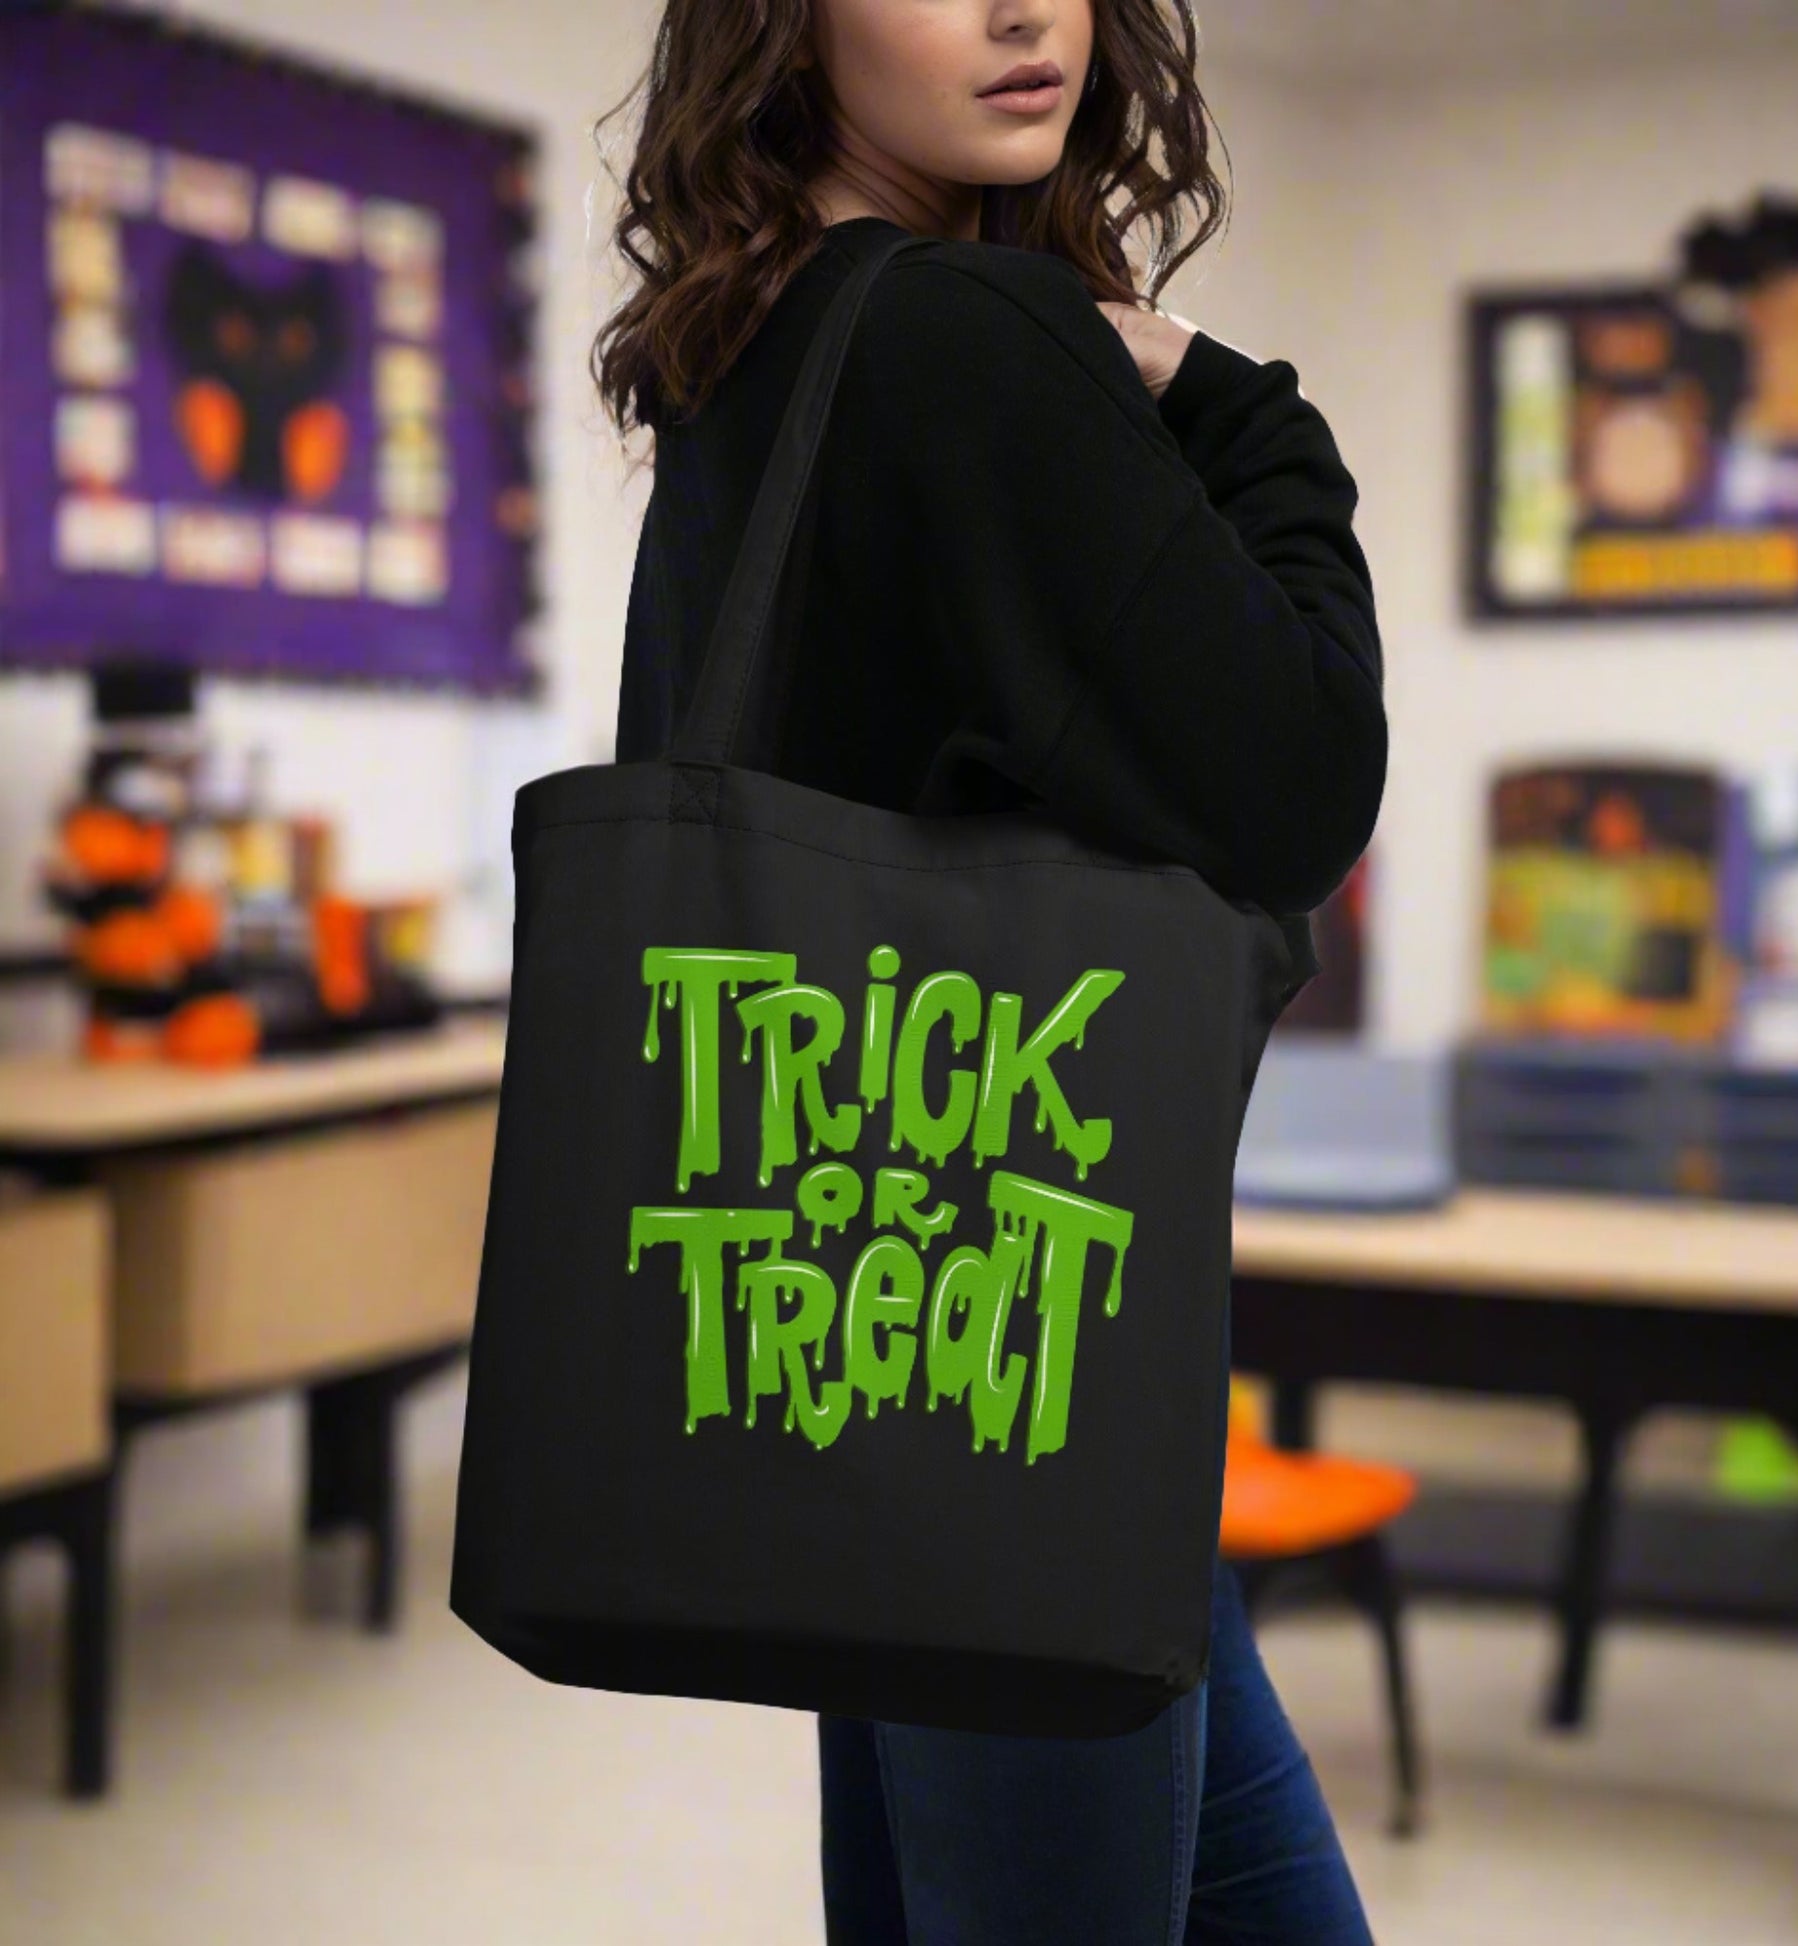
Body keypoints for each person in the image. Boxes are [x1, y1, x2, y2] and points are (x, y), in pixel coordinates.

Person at [592, 1, 1388, 1937]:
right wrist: (1237, 400)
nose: (1027, 7)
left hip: (868, 1360)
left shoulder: (747, 363)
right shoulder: (966, 344)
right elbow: (1298, 778)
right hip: (1021, 1383)